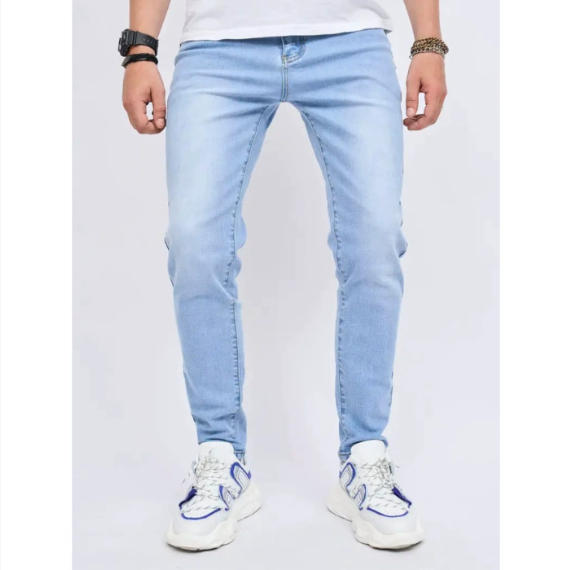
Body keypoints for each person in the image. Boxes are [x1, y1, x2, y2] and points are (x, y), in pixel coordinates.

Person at [120, 0, 448, 552]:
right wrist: (140, 50)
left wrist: (429, 42)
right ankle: (220, 455)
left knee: (374, 243)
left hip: (350, 42)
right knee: (196, 245)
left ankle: (364, 453)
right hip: (218, 48)